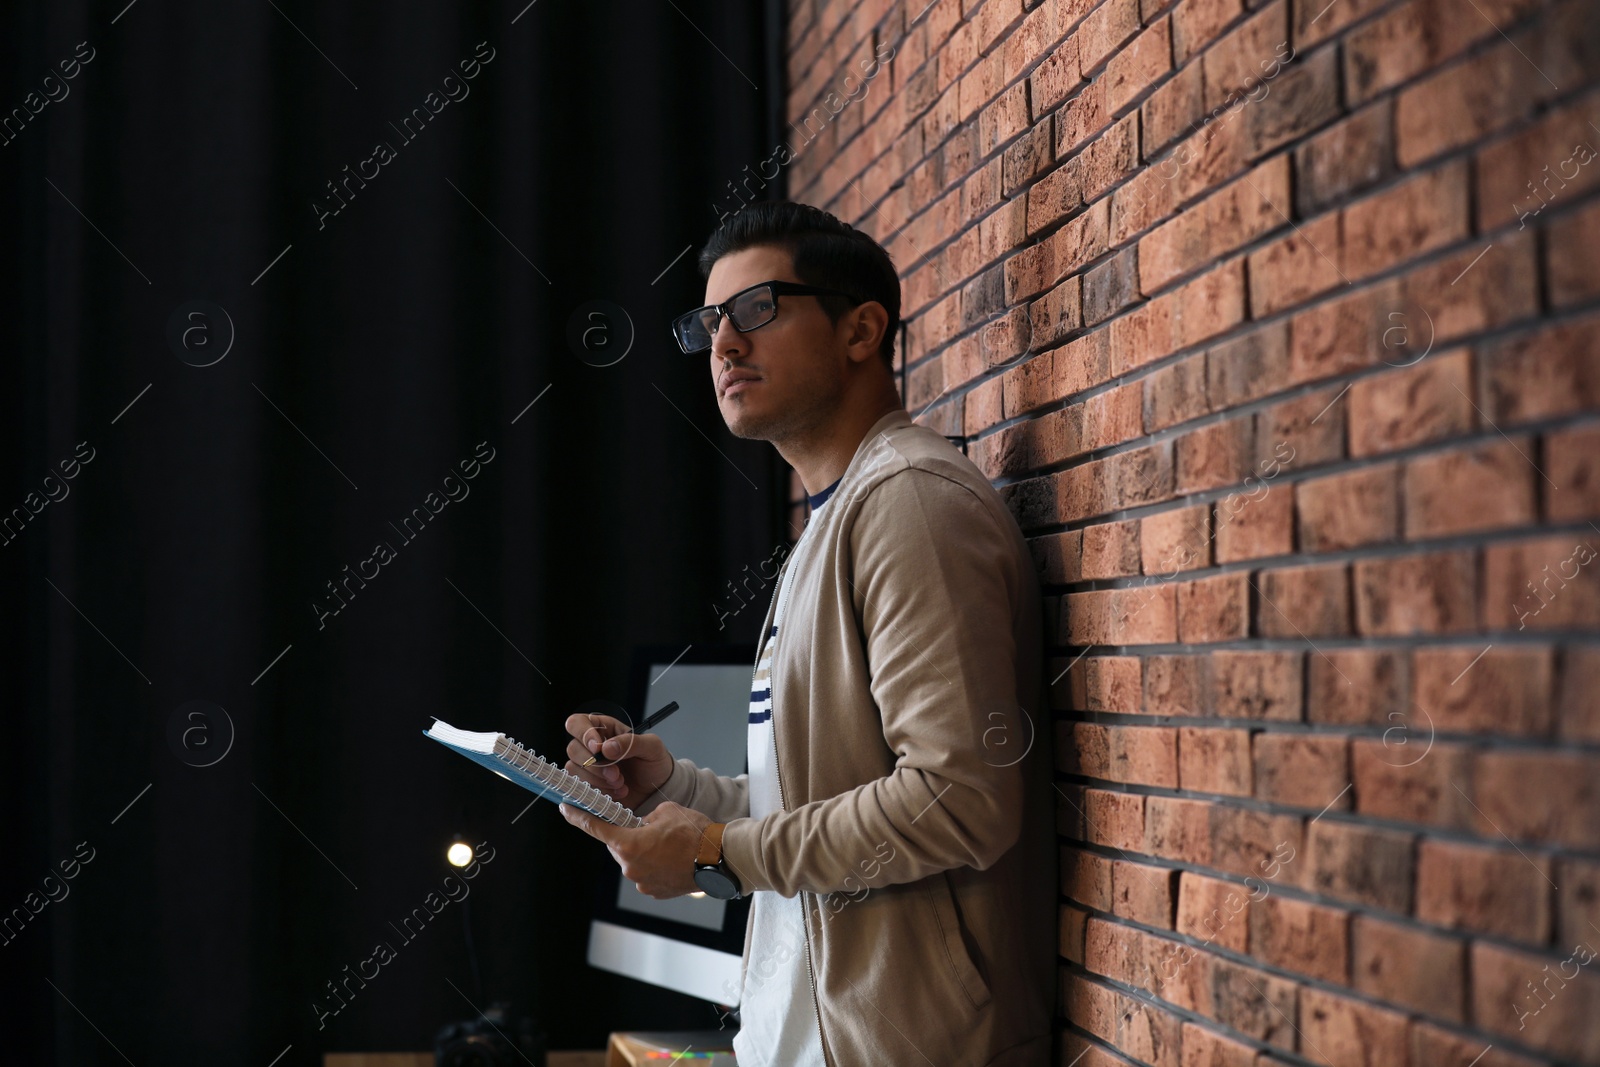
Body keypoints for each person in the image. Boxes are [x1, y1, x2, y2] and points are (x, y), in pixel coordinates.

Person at [557, 201, 1053, 1066]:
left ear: (862, 330)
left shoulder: (911, 505)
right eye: (710, 322)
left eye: (758, 309)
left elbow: (958, 797)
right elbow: (818, 801)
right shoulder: (826, 529)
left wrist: (715, 852)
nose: (725, 345)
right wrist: (673, 784)